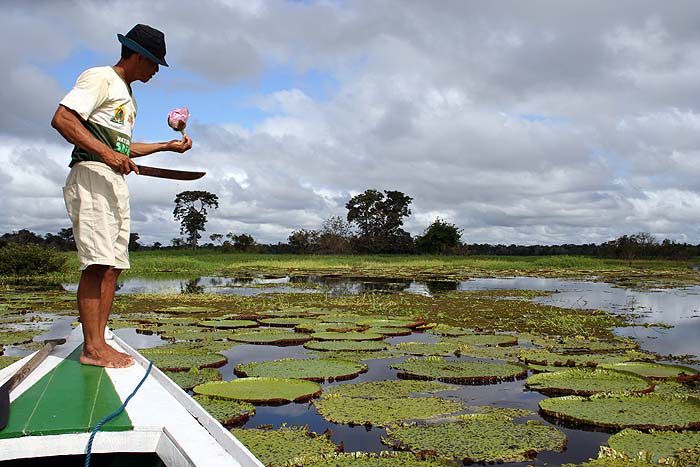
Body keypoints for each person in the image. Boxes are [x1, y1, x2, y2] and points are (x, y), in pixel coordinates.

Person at [51, 24, 193, 368]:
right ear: (138, 56)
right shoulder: (100, 77)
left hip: (114, 181)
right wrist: (108, 154)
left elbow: (123, 147)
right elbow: (63, 119)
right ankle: (93, 347)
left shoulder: (129, 97)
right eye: (154, 63)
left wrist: (165, 146)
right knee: (97, 263)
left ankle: (99, 340)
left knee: (113, 266)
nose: (156, 70)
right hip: (92, 174)